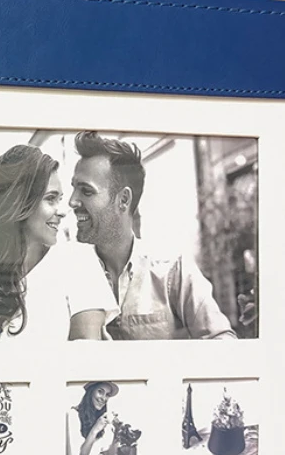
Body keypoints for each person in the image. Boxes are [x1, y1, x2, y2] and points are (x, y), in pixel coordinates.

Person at [69, 131, 237, 341]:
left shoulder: (172, 269)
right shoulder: (71, 273)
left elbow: (223, 341)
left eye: (86, 191)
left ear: (123, 200)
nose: (72, 201)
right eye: (73, 189)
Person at [0, 144, 118, 342]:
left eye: (59, 198)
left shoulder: (78, 261)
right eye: (50, 199)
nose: (62, 211)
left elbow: (86, 356)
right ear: (19, 203)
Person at [66, 382, 120, 455]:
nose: (104, 398)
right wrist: (95, 430)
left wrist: (117, 432)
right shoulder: (73, 415)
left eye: (107, 395)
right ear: (91, 392)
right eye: (100, 392)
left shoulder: (102, 419)